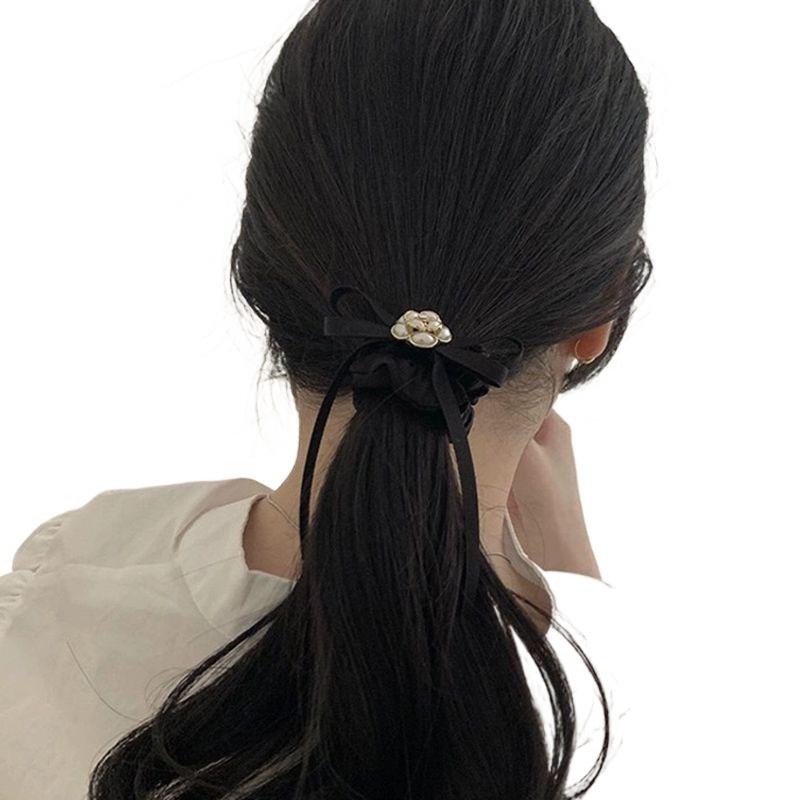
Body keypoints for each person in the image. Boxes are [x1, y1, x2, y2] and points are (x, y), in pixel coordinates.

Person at [0, 0, 651, 797]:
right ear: (598, 316)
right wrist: (576, 597)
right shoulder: (642, 730)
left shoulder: (54, 603)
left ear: (261, 266)